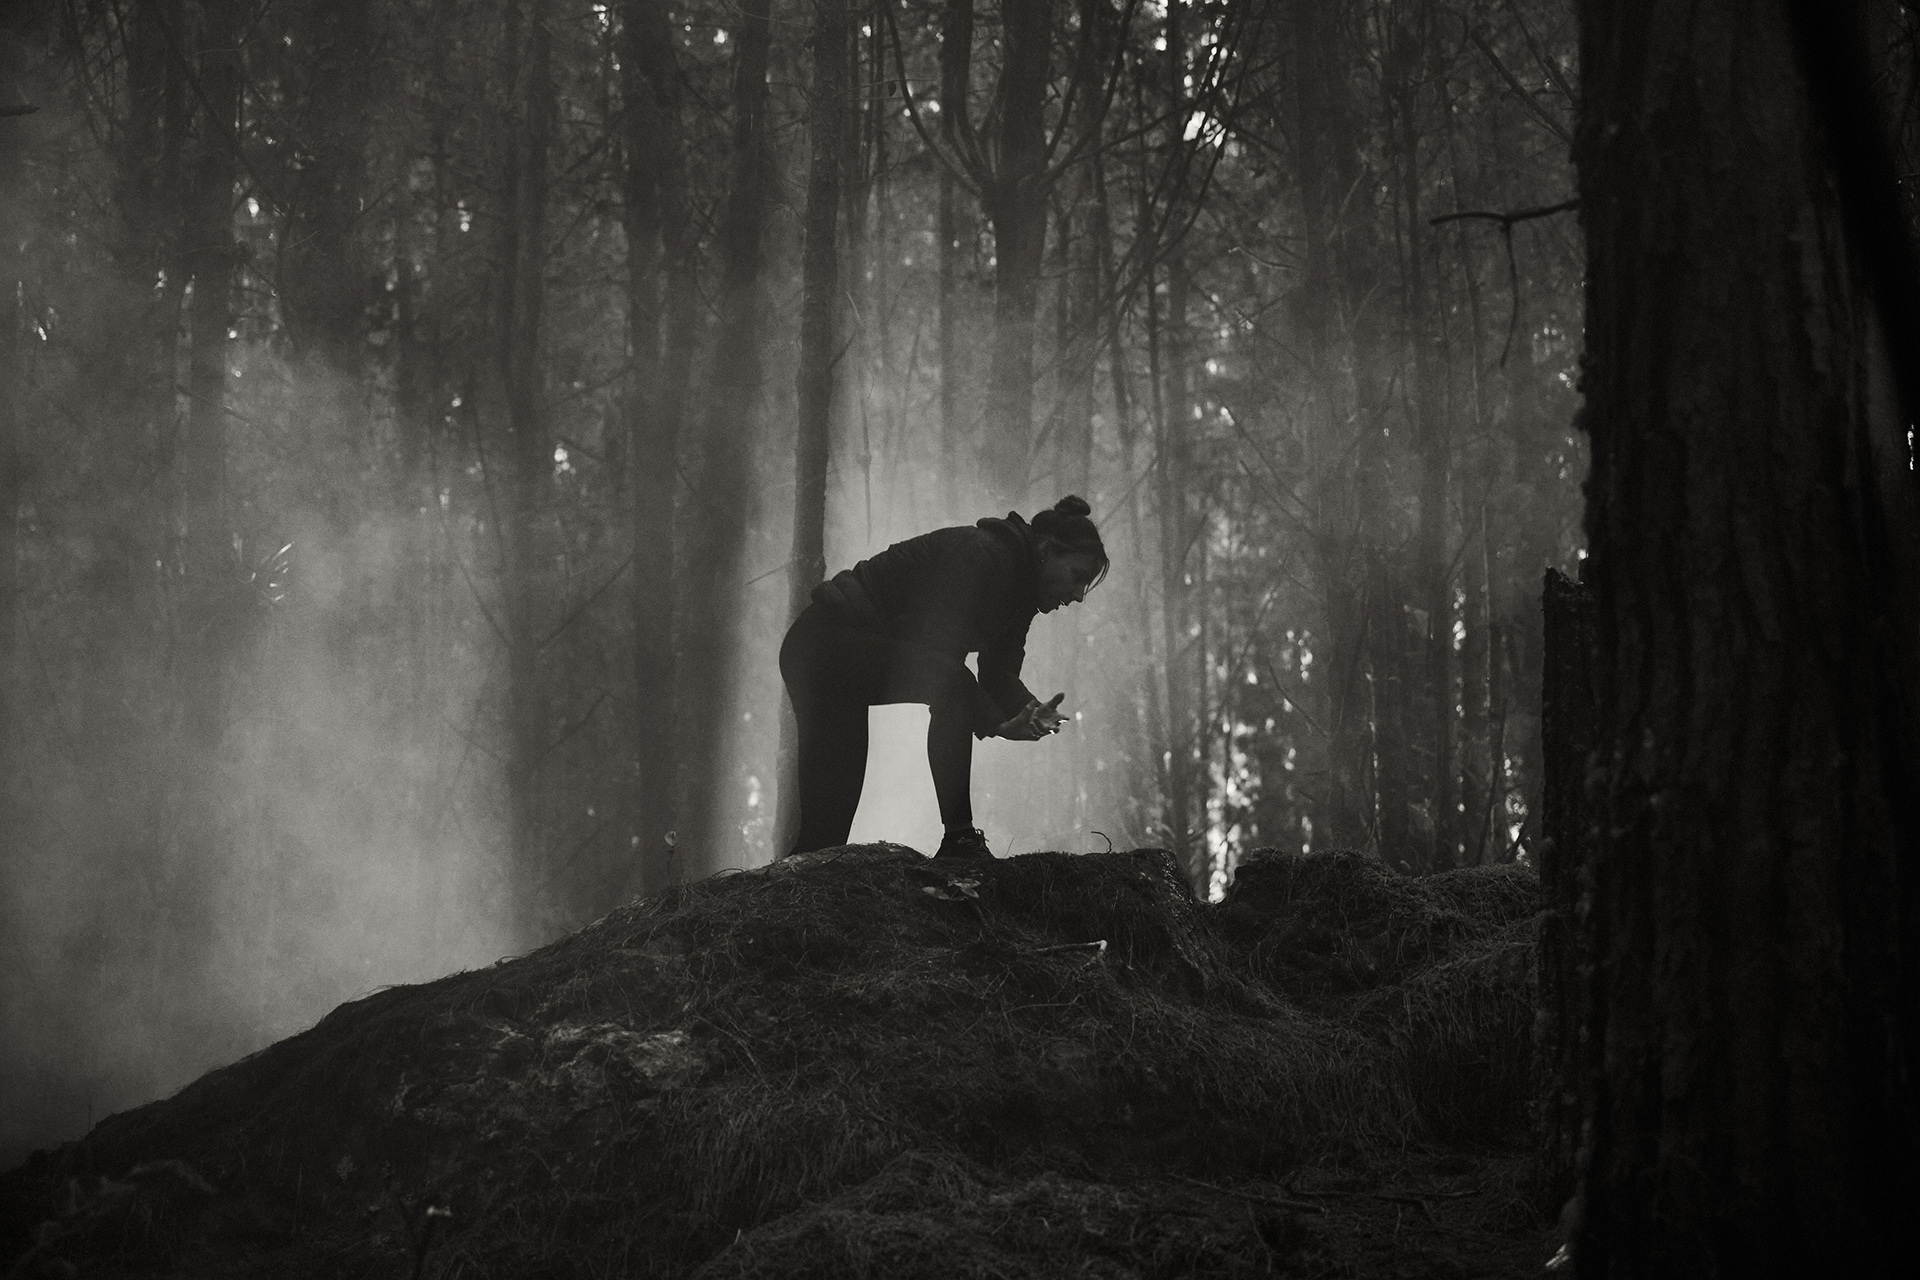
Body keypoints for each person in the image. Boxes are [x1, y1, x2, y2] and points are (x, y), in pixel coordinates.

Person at [779, 495, 1110, 861]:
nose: (1078, 596)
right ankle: (960, 840)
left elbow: (998, 673)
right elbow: (940, 662)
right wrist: (996, 721)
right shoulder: (983, 556)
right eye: (1078, 577)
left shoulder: (1020, 591)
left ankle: (956, 841)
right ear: (1046, 550)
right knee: (951, 686)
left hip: (839, 659)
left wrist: (1025, 711)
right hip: (823, 647)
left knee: (824, 840)